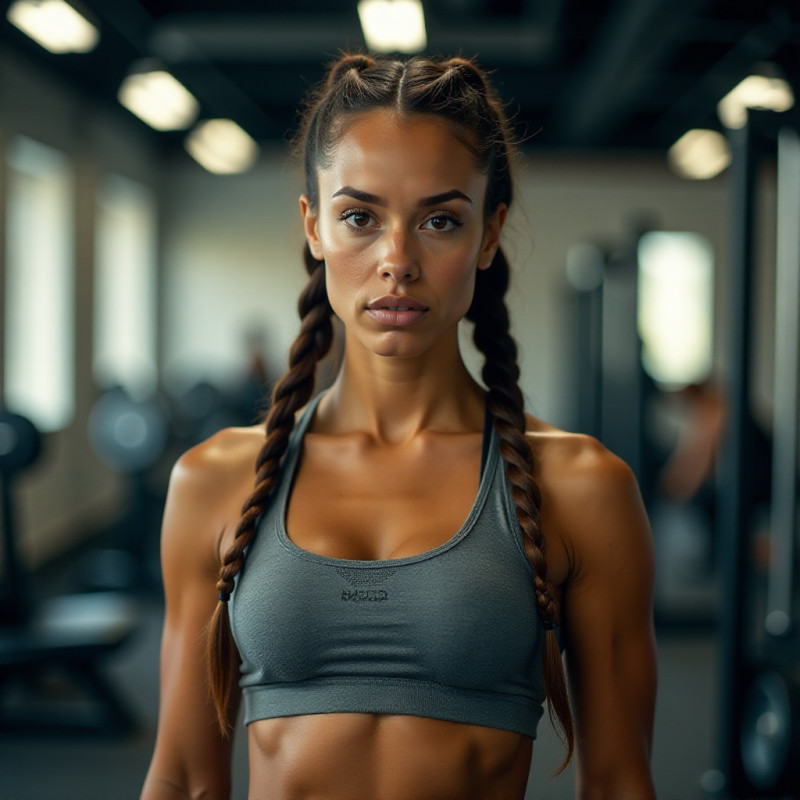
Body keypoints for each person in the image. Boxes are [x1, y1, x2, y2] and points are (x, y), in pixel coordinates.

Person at [141, 53, 657, 800]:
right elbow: (185, 778)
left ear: (488, 235)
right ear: (314, 227)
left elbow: (616, 783)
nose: (397, 260)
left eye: (440, 220)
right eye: (360, 217)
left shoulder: (581, 489)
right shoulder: (215, 480)